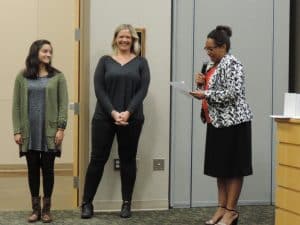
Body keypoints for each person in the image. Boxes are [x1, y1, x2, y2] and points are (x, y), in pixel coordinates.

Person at [81, 24, 150, 219]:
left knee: (128, 160)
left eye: (129, 37)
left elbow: (142, 91)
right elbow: (99, 89)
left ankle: (126, 204)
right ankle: (87, 203)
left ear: (133, 41)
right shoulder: (105, 61)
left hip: (132, 119)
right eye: (121, 37)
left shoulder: (141, 63)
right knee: (97, 159)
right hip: (104, 118)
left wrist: (128, 112)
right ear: (115, 39)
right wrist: (113, 113)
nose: (124, 40)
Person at [190, 26, 253, 225]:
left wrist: (205, 93)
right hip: (216, 123)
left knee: (233, 169)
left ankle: (231, 211)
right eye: (206, 49)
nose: (208, 52)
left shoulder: (232, 63)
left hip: (234, 123)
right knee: (220, 169)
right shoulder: (211, 66)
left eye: (211, 49)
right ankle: (221, 207)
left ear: (223, 46)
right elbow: (214, 90)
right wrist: (201, 85)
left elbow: (232, 93)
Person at [12, 40, 68, 223]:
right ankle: (35, 210)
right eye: (45, 51)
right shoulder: (22, 77)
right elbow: (16, 107)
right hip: (30, 134)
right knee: (32, 171)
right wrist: (17, 130)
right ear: (36, 52)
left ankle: (46, 210)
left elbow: (62, 105)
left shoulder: (58, 77)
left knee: (49, 171)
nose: (48, 54)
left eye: (50, 51)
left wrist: (61, 128)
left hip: (50, 133)